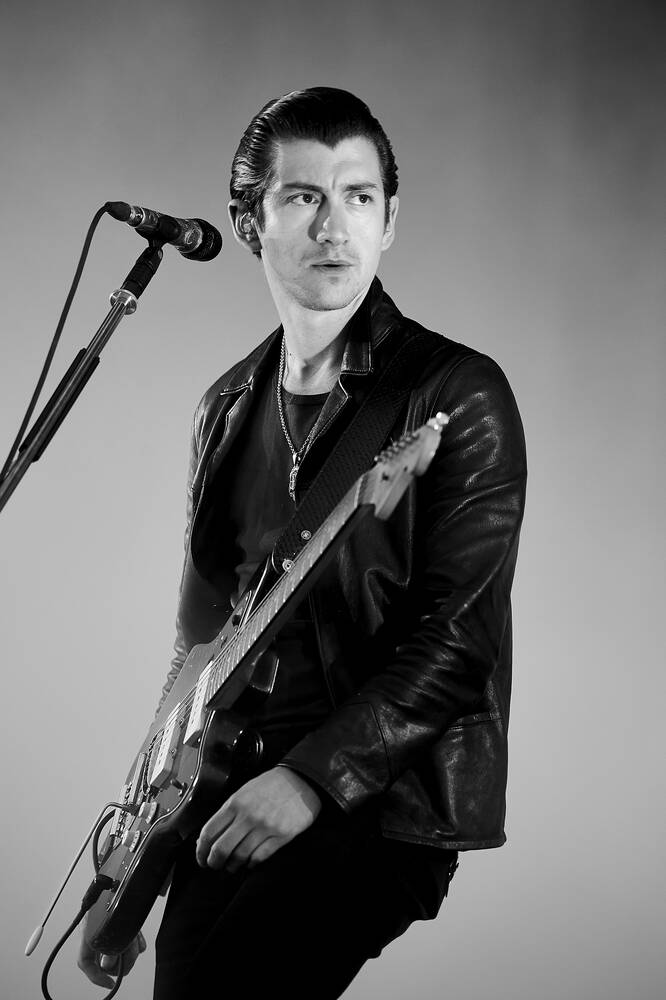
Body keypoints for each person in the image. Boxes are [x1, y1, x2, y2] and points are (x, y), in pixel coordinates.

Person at [79, 87, 527, 999]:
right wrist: (136, 851)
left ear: (389, 220)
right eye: (303, 197)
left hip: (375, 793)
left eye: (358, 197)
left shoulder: (454, 393)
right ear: (250, 221)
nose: (334, 226)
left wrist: (315, 780)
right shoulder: (226, 407)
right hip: (223, 786)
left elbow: (459, 639)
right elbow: (198, 641)